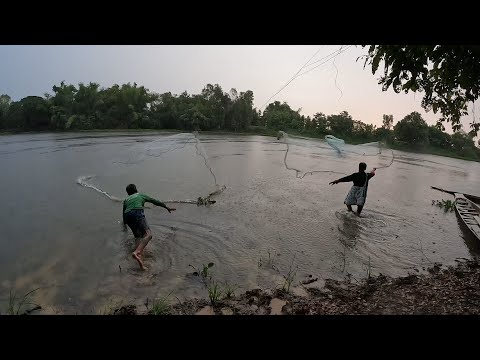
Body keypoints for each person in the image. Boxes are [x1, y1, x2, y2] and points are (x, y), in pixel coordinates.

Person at [122, 184, 176, 270]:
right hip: (137, 212)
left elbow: (124, 212)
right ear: (136, 190)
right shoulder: (140, 195)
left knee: (138, 238)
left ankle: (141, 264)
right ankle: (137, 252)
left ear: (128, 193)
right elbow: (154, 201)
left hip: (128, 216)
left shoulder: (126, 199)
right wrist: (166, 207)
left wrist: (125, 224)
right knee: (148, 235)